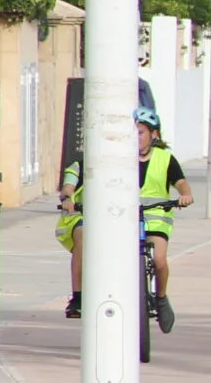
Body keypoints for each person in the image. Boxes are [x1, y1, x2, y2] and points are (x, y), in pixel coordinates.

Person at [58, 108, 193, 329]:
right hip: (120, 216)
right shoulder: (115, 158)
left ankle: (161, 297)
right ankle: (80, 296)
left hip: (155, 216)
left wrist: (185, 195)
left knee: (158, 259)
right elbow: (72, 182)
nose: (135, 138)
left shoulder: (165, 159)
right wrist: (67, 197)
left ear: (154, 135)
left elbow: (180, 182)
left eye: (140, 132)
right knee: (90, 243)